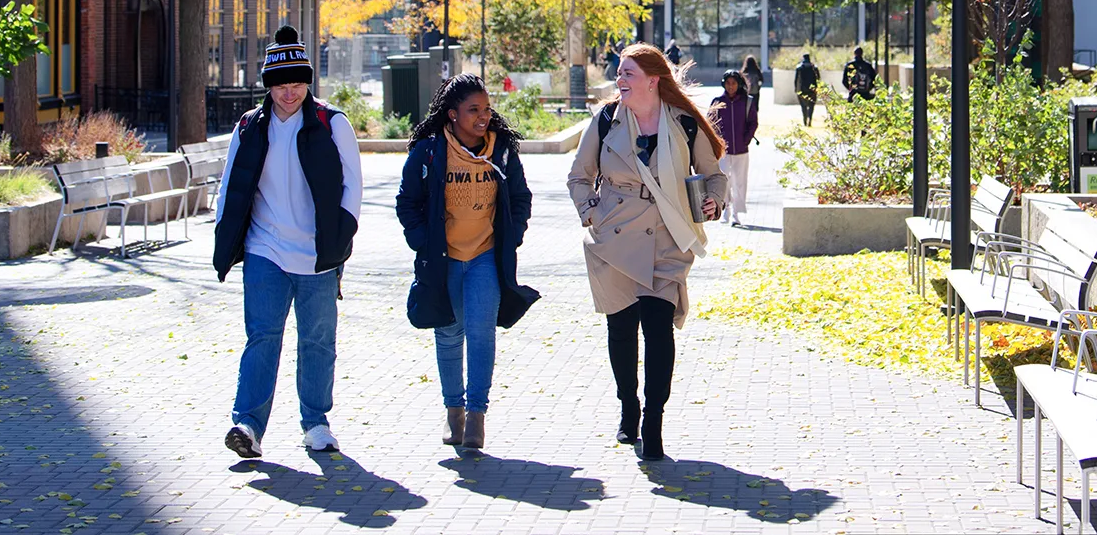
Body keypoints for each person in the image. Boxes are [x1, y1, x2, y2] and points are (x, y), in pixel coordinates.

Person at [567, 43, 727, 461]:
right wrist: (591, 214)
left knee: (658, 330)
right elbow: (579, 176)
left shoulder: (683, 122)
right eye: (619, 73)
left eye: (628, 73)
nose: (619, 80)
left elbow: (713, 175)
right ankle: (629, 408)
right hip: (614, 238)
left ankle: (654, 420)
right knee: (621, 330)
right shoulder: (606, 119)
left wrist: (713, 201)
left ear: (653, 80)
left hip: (667, 237)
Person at [215, 25, 364, 459]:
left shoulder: (332, 123)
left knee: (317, 341)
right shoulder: (250, 126)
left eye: (297, 84)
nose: (289, 93)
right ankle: (247, 425)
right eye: (281, 85)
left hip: (319, 254)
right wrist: (224, 236)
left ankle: (316, 423)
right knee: (262, 336)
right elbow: (229, 185)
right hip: (265, 250)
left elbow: (352, 187)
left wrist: (341, 237)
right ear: (268, 85)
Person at [396, 74, 538, 451]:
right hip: (443, 259)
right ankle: (453, 411)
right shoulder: (429, 151)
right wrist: (423, 243)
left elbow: (520, 197)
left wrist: (513, 235)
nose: (483, 116)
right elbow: (407, 202)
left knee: (480, 332)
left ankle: (476, 414)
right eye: (473, 109)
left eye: (486, 109)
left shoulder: (501, 150)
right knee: (447, 332)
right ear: (453, 113)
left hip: (484, 256)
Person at [709, 70, 758, 226]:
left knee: (740, 182)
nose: (730, 86)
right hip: (723, 151)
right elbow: (710, 123)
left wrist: (745, 140)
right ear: (724, 84)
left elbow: (753, 123)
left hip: (741, 151)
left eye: (734, 83)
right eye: (728, 83)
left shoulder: (747, 102)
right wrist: (716, 142)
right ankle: (726, 210)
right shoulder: (717, 102)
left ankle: (737, 214)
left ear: (739, 84)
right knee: (724, 181)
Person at [795, 53, 821, 126]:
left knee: (803, 106)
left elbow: (796, 80)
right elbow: (818, 78)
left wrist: (796, 88)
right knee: (811, 105)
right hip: (812, 89)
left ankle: (805, 119)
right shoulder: (814, 67)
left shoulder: (799, 67)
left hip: (802, 89)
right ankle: (810, 119)